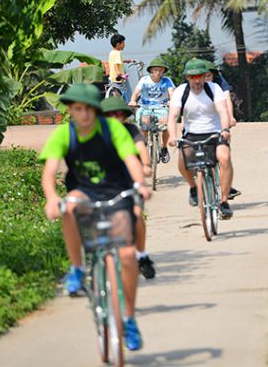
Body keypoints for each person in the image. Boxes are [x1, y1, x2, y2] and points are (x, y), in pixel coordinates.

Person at [40, 83, 151, 351]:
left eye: (90, 109)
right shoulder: (63, 135)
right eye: (79, 109)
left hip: (117, 192)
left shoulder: (113, 130)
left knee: (126, 256)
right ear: (70, 110)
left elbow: (131, 161)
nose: (85, 115)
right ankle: (77, 268)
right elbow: (49, 171)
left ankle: (129, 319)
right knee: (70, 205)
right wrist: (52, 197)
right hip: (85, 192)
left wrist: (140, 185)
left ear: (97, 110)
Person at [168, 59, 234, 219]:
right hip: (192, 134)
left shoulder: (214, 89)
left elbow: (223, 111)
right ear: (187, 77)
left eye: (200, 76)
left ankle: (224, 202)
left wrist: (225, 129)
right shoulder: (180, 92)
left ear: (205, 76)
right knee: (182, 163)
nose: (197, 80)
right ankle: (193, 187)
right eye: (193, 77)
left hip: (215, 132)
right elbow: (173, 116)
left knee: (224, 158)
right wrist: (172, 136)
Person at [101, 96, 156, 280]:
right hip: (103, 183)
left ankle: (142, 255)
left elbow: (141, 150)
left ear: (124, 116)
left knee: (137, 214)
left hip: (129, 181)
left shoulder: (131, 130)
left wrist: (146, 166)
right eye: (109, 115)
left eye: (118, 114)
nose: (114, 118)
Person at [201, 60, 241, 199]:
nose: (205, 79)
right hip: (200, 122)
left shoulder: (218, 83)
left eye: (208, 76)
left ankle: (226, 186)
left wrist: (230, 117)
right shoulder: (188, 86)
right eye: (202, 76)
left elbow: (227, 100)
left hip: (218, 118)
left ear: (213, 75)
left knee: (224, 156)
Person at [129, 57, 175, 163]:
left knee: (165, 125)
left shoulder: (167, 81)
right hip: (145, 108)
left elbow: (171, 93)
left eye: (160, 70)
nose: (158, 72)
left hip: (162, 107)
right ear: (151, 71)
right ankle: (143, 147)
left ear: (163, 71)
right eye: (156, 70)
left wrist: (171, 101)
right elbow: (136, 92)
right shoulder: (144, 80)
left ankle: (164, 148)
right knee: (144, 126)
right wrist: (132, 100)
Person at [108, 34, 134, 100]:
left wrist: (126, 61)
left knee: (116, 96)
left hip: (112, 79)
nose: (124, 45)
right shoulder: (118, 53)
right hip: (118, 80)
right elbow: (116, 64)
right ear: (118, 44)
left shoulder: (112, 52)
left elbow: (114, 61)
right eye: (123, 43)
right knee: (123, 98)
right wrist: (119, 74)